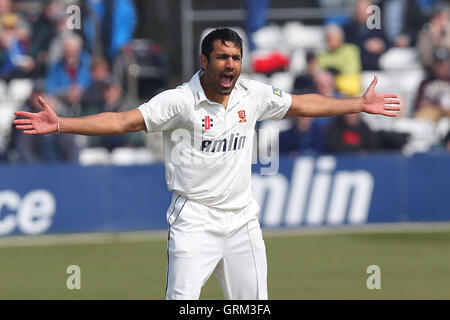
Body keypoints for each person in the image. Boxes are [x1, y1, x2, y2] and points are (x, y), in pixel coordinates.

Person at [13, 28, 400, 300]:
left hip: (242, 217)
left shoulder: (254, 93)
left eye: (236, 58)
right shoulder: (180, 100)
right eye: (222, 58)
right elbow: (122, 120)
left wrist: (359, 104)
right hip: (194, 217)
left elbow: (303, 103)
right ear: (204, 60)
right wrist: (61, 123)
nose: (230, 65)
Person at [343, 0, 391, 70]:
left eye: (364, 10)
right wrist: (364, 44)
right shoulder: (347, 30)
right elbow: (346, 45)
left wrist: (381, 46)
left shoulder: (378, 29)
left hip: (374, 69)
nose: (361, 13)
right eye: (359, 10)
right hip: (353, 70)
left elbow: (388, 43)